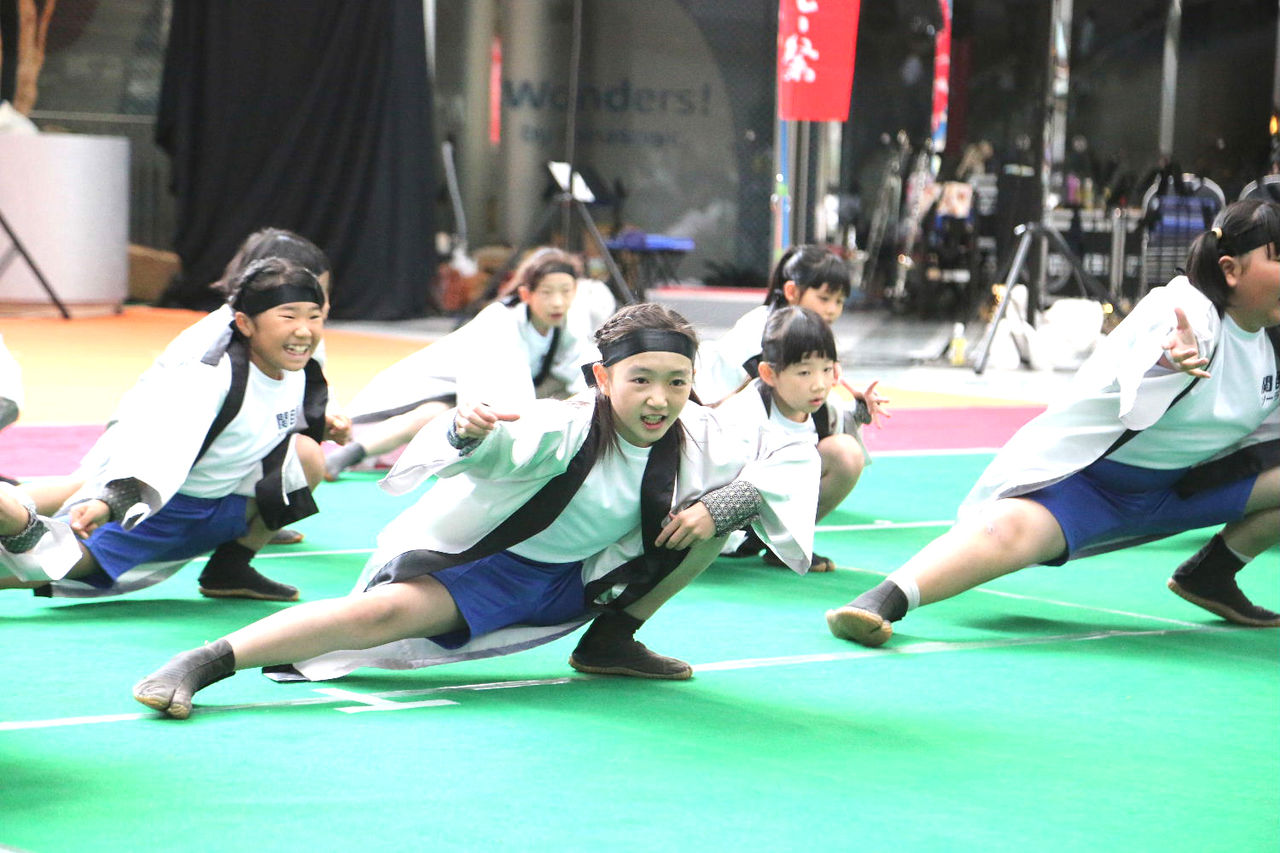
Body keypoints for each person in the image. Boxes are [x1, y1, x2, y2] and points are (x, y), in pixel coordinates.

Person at [132, 303, 820, 719]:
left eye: (676, 381)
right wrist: (468, 433)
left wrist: (726, 502)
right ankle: (204, 662)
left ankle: (610, 641)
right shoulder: (565, 425)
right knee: (374, 617)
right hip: (495, 571)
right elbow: (500, 451)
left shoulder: (703, 430)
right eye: (641, 379)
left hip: (590, 576)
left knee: (714, 518)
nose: (659, 399)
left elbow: (790, 453)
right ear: (603, 377)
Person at [826, 199, 1280, 647]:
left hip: (1180, 488)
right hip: (1087, 487)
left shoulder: (1272, 342)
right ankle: (883, 600)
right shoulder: (1186, 309)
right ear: (1230, 270)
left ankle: (1211, 574)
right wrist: (1166, 362)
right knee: (1008, 532)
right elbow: (1141, 383)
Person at [0, 258, 335, 602]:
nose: (304, 330)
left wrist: (328, 424)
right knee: (66, 564)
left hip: (223, 504)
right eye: (288, 316)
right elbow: (163, 448)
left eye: (314, 316)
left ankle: (229, 569)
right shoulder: (212, 378)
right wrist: (109, 503)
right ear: (245, 323)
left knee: (306, 455)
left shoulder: (297, 369)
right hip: (165, 505)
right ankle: (14, 519)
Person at [323, 247, 605, 478]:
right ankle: (348, 455)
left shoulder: (566, 326)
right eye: (547, 292)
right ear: (525, 294)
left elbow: (581, 374)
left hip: (476, 402)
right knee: (433, 414)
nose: (557, 302)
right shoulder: (500, 321)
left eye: (566, 291)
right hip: (424, 396)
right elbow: (506, 395)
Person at [700, 245, 887, 568]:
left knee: (844, 454)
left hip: (756, 463)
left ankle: (782, 543)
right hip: (709, 449)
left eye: (839, 301)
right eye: (824, 298)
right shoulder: (757, 336)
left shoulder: (808, 337)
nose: (832, 310)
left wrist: (858, 411)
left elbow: (816, 414)